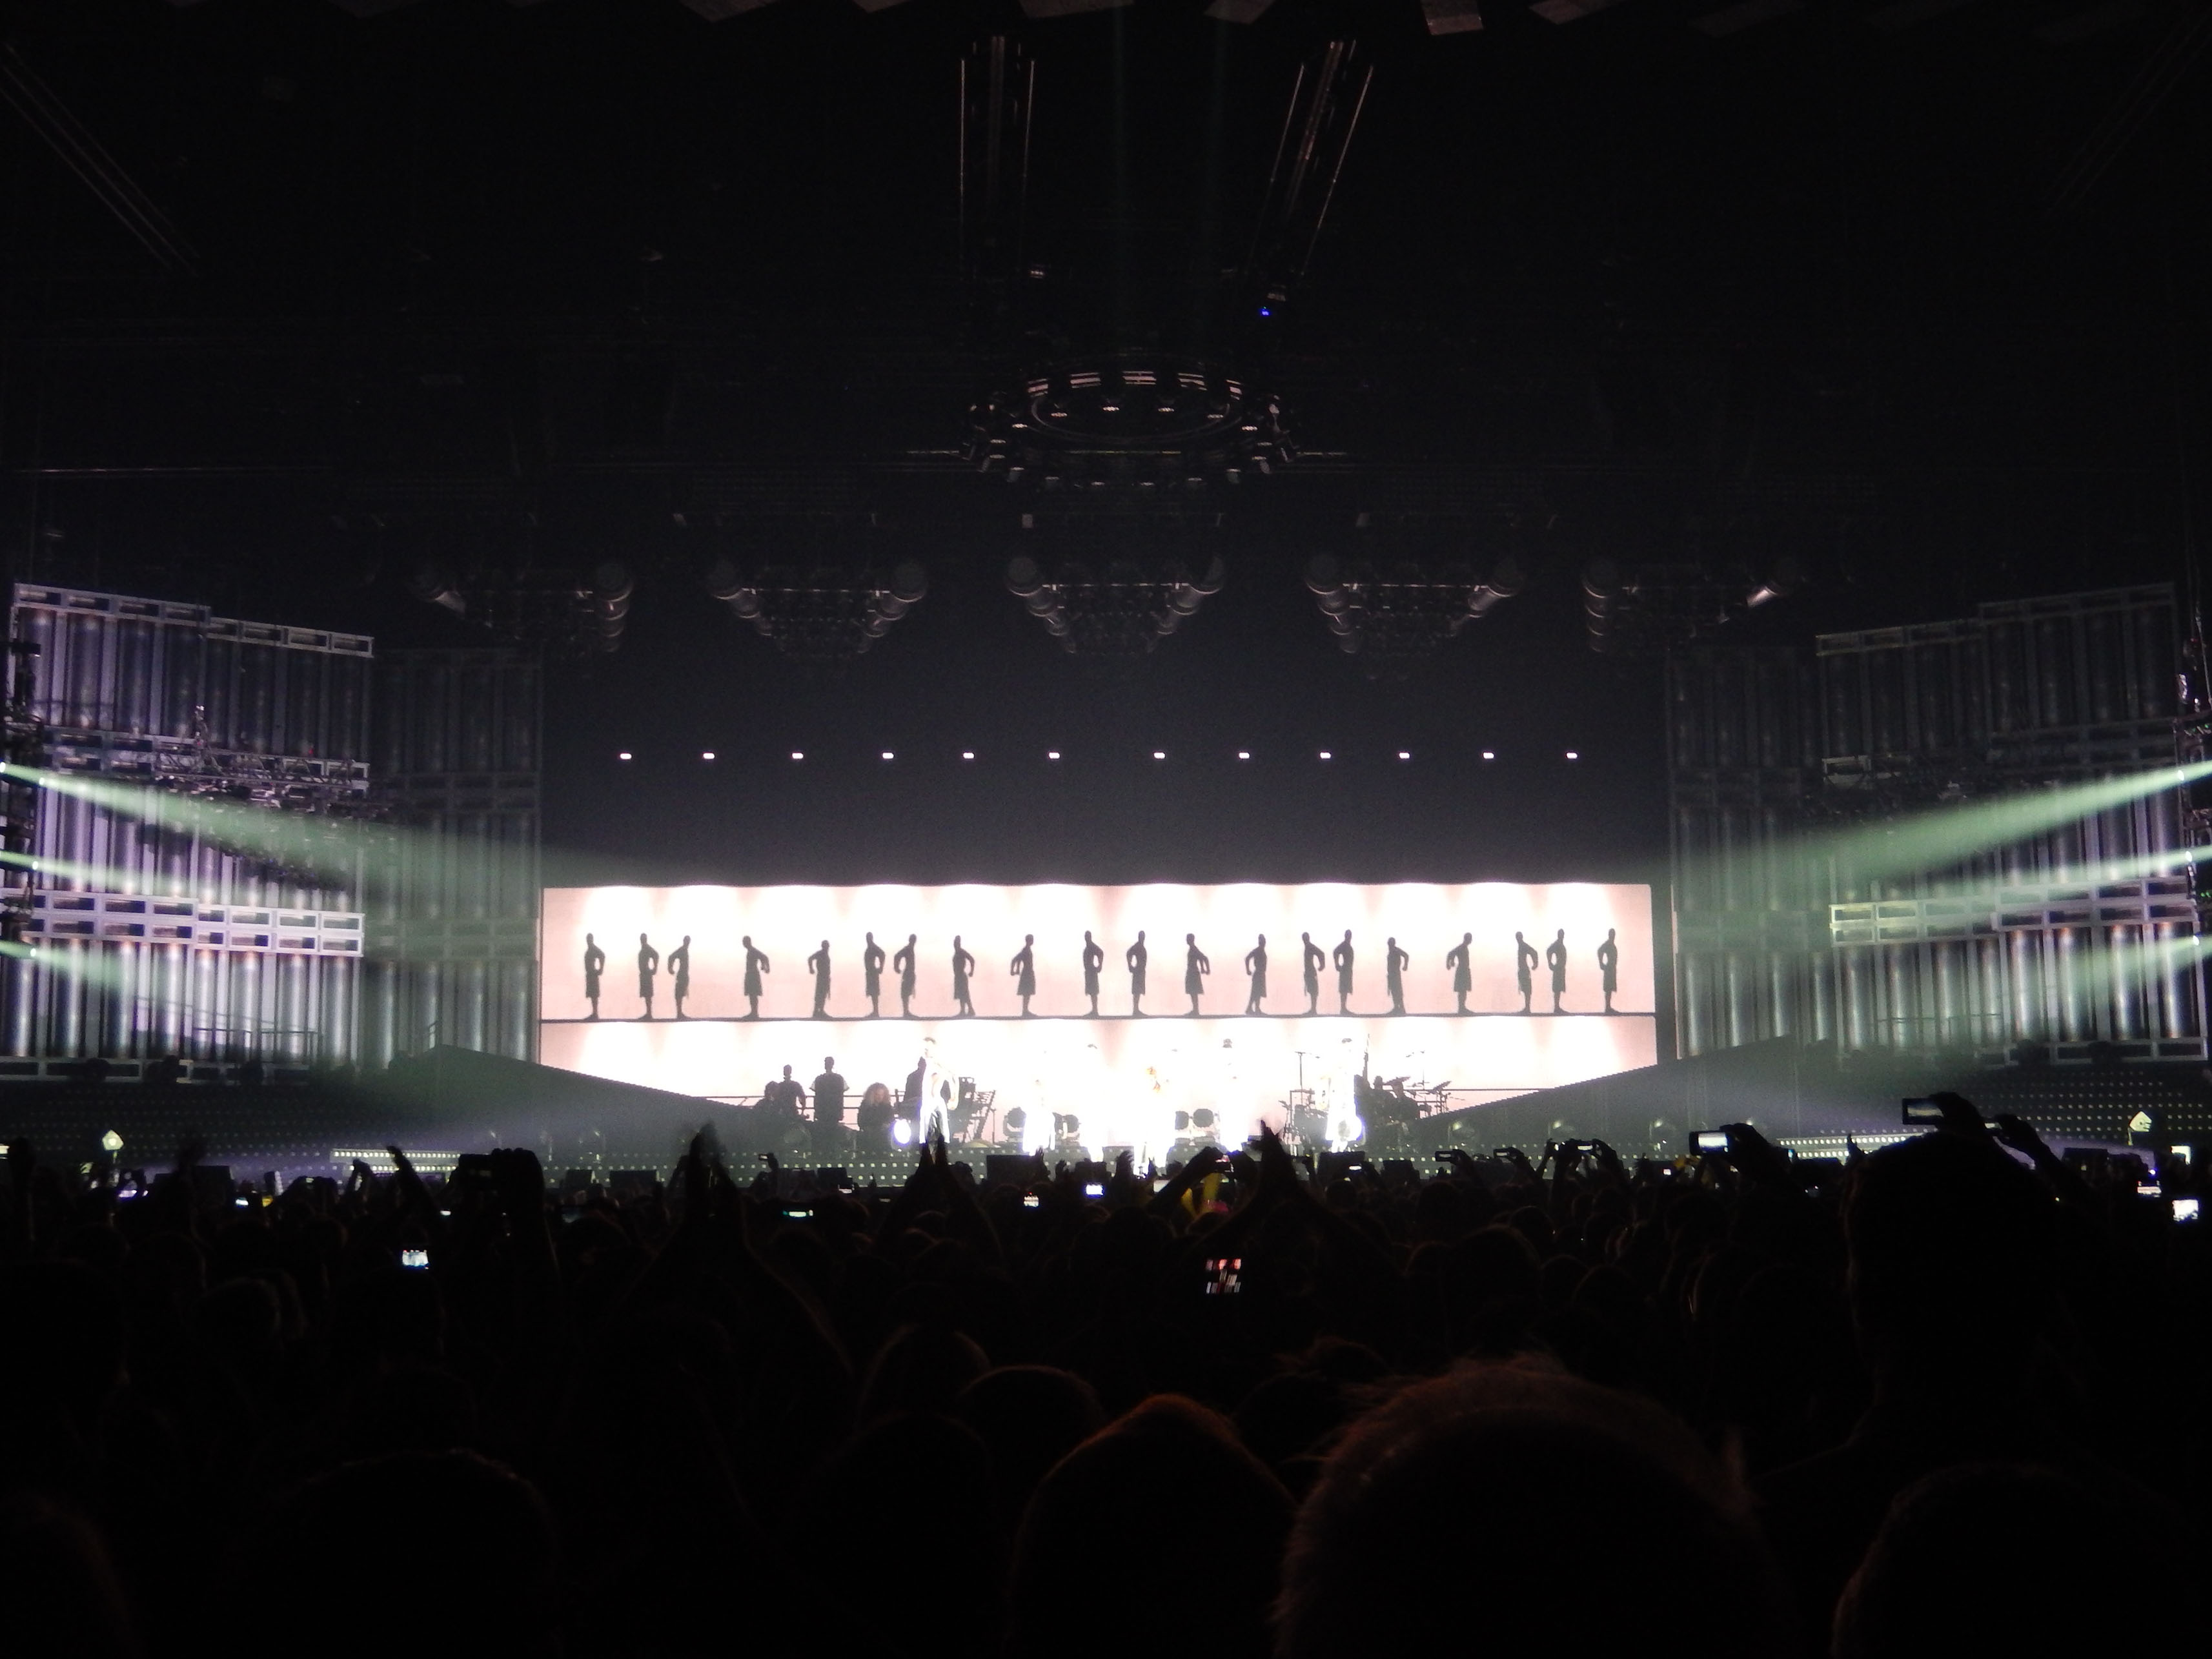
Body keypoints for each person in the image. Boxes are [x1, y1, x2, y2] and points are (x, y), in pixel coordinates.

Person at [811, 1057, 847, 1132]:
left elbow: (816, 1094)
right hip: (834, 1111)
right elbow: (841, 1094)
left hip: (822, 1110)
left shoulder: (819, 1079)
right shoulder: (839, 1079)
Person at [743, 935, 770, 1019]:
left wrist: (767, 968)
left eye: (745, 942)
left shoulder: (753, 951)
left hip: (753, 974)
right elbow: (763, 958)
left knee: (753, 994)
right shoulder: (750, 951)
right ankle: (753, 1012)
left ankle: (754, 1013)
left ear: (748, 942)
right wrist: (763, 965)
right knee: (751, 994)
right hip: (750, 974)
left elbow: (765, 957)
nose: (744, 944)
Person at [1445, 931, 1472, 1015]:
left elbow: (1452, 954)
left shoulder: (1463, 947)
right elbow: (1451, 954)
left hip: (1464, 970)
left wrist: (1451, 961)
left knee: (1463, 991)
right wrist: (1449, 963)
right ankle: (1461, 1008)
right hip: (1462, 971)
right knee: (1462, 991)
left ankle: (1462, 1008)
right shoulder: (1462, 947)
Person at [1010, 934, 1037, 1017]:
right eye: (1031, 940)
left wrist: (1017, 968)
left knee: (1028, 993)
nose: (1033, 941)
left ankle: (1026, 1010)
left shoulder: (1027, 950)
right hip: (1027, 973)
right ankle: (1025, 1011)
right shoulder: (1025, 951)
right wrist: (1013, 970)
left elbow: (1018, 960)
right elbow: (1015, 959)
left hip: (1028, 972)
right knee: (1026, 992)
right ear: (1029, 941)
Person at [1184, 933, 1210, 1016]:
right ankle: (1195, 1010)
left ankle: (1196, 1010)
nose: (1186, 940)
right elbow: (1201, 959)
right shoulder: (1193, 949)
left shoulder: (1194, 949)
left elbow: (1204, 958)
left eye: (1188, 939)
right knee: (1192, 992)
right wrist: (1203, 968)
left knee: (1194, 992)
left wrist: (1207, 969)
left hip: (1193, 973)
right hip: (1192, 972)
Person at [636, 932, 660, 1020]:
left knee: (648, 995)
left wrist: (655, 968)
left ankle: (649, 1013)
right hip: (644, 974)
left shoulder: (647, 948)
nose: (642, 940)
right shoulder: (644, 949)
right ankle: (648, 1013)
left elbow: (656, 955)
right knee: (646, 994)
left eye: (643, 939)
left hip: (646, 974)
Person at [1514, 930, 1539, 1014]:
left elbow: (1534, 952)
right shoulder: (1521, 946)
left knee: (1527, 989)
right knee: (1525, 989)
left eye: (1519, 937)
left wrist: (1535, 964)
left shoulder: (1523, 946)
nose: (1518, 939)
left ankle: (1527, 1008)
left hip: (1524, 970)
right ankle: (1527, 1007)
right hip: (1522, 970)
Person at [667, 935, 692, 1019]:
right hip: (682, 975)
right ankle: (679, 1013)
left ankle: (680, 1013)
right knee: (679, 994)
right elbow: (671, 957)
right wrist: (670, 968)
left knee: (681, 994)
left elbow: (672, 957)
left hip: (684, 975)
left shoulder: (684, 950)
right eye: (687, 941)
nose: (688, 943)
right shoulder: (682, 950)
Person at [582, 933, 605, 1019]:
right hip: (590, 974)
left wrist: (601, 969)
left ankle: (595, 1013)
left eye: (589, 939)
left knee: (594, 995)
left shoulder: (593, 949)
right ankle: (594, 1013)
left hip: (593, 974)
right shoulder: (590, 950)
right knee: (592, 995)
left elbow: (602, 955)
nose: (588, 941)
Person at [951, 936, 976, 1017]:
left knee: (965, 994)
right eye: (955, 943)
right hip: (958, 976)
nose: (955, 945)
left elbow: (972, 959)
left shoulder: (961, 952)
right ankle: (963, 1011)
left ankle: (970, 1010)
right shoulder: (957, 953)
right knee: (961, 994)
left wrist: (972, 971)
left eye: (957, 943)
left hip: (961, 975)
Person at [1081, 930, 1104, 1017]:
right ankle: (1094, 1010)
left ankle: (1095, 1010)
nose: (1086, 938)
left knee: (1093, 992)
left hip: (1092, 971)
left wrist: (1100, 965)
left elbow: (1100, 953)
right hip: (1089, 971)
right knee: (1091, 992)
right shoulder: (1088, 948)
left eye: (1087, 937)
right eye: (1086, 937)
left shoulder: (1092, 947)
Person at [894, 933, 918, 1017]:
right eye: (913, 940)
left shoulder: (910, 949)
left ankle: (906, 1011)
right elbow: (897, 956)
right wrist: (896, 967)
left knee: (907, 992)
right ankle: (906, 1012)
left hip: (910, 973)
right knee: (905, 993)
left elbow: (897, 956)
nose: (913, 942)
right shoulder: (908, 949)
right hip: (908, 973)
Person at [1596, 926, 1619, 1013]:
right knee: (1608, 988)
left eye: (1614, 934)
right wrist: (1601, 963)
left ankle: (1609, 1006)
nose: (1613, 936)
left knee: (1610, 988)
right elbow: (1600, 951)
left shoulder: (1612, 945)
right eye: (1612, 934)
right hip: (1609, 968)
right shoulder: (1608, 944)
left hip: (1612, 968)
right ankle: (1607, 1007)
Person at [864, 931, 886, 1018]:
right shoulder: (870, 948)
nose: (868, 940)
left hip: (873, 972)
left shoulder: (873, 948)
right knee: (872, 992)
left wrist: (881, 967)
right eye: (867, 938)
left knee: (874, 992)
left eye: (869, 938)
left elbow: (882, 954)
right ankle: (875, 1011)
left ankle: (876, 1011)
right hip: (870, 972)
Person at [807, 939, 832, 1019]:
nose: (827, 948)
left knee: (824, 994)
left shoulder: (826, 955)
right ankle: (817, 1012)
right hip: (821, 977)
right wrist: (811, 969)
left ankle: (820, 1011)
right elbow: (810, 959)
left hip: (825, 977)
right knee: (819, 994)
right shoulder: (820, 954)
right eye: (826, 946)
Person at [1301, 931, 1324, 1015]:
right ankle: (1313, 1009)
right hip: (1308, 972)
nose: (1304, 940)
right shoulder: (1307, 947)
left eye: (1305, 939)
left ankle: (1313, 1009)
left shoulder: (1310, 947)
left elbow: (1321, 953)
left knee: (1314, 990)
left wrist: (1322, 965)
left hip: (1311, 971)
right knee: (1311, 990)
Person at [1385, 937, 1409, 1015]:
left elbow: (1406, 955)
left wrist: (1405, 965)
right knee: (1394, 991)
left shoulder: (1396, 951)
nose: (1389, 946)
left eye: (1390, 944)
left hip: (1395, 974)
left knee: (1398, 991)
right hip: (1391, 974)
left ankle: (1401, 1008)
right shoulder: (1391, 952)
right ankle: (1396, 1008)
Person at [1244, 935, 1268, 1015]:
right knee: (1255, 992)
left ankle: (1256, 1008)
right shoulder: (1257, 951)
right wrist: (1248, 970)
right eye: (1262, 941)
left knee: (1259, 992)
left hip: (1261, 974)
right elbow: (1247, 958)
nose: (1264, 943)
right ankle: (1250, 1008)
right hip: (1258, 974)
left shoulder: (1262, 951)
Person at [1332, 930, 1355, 1015]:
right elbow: (1335, 952)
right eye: (1348, 935)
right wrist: (1337, 964)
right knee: (1344, 989)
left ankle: (1344, 1008)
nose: (1349, 937)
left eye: (1350, 936)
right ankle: (1343, 1008)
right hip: (1345, 969)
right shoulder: (1344, 945)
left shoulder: (1348, 946)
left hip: (1348, 970)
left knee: (1346, 989)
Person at [1126, 930, 1148, 1017]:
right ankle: (1135, 1010)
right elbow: (1129, 954)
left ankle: (1136, 1009)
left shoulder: (1141, 947)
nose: (1143, 938)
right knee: (1136, 991)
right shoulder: (1137, 946)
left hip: (1141, 971)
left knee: (1139, 990)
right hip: (1138, 971)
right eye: (1141, 937)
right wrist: (1130, 965)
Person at [1547, 928, 1568, 1013]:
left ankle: (1557, 1007)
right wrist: (1550, 963)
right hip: (1558, 969)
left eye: (1563, 935)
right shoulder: (1557, 944)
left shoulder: (1561, 945)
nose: (1562, 936)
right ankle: (1556, 1007)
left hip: (1561, 969)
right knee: (1557, 989)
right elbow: (1549, 951)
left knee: (1559, 988)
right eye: (1561, 935)